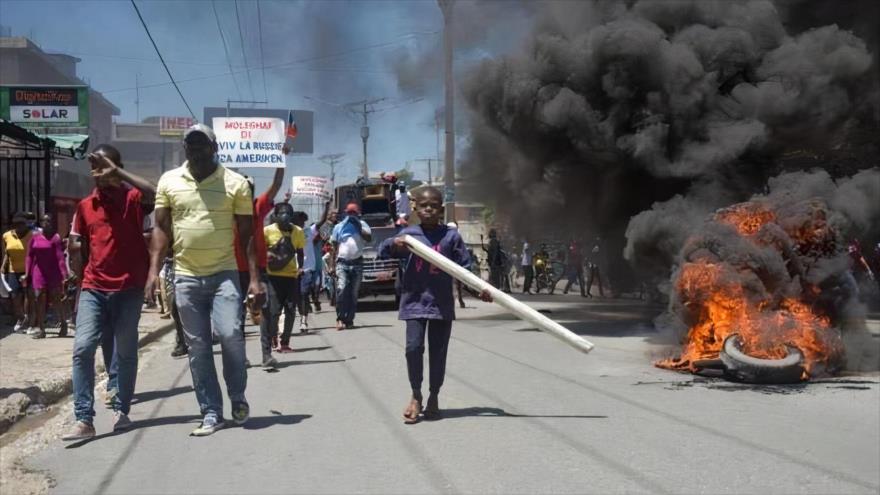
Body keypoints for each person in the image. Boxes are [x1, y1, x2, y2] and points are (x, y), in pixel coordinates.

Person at [145, 124, 265, 437]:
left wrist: (254, 279)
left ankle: (236, 395)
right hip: (185, 276)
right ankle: (211, 411)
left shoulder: (235, 183)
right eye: (190, 146)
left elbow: (247, 234)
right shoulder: (169, 181)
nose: (195, 151)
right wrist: (153, 271)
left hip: (224, 274)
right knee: (197, 348)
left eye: (201, 146)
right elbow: (160, 228)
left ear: (214, 149)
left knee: (230, 335)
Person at [61, 145, 155, 440]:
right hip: (94, 287)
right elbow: (78, 246)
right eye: (95, 167)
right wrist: (74, 276)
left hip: (129, 289)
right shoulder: (85, 206)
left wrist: (118, 174)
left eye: (105, 166)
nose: (98, 172)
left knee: (125, 352)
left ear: (117, 167)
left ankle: (121, 409)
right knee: (82, 348)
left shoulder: (134, 199)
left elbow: (153, 189)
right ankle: (84, 419)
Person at [379, 187, 492, 424]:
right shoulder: (409, 234)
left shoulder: (451, 237)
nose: (428, 209)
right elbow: (383, 250)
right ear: (416, 209)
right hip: (414, 302)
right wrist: (396, 244)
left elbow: (465, 270)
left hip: (441, 304)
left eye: (433, 205)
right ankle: (416, 394)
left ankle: (434, 397)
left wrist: (478, 289)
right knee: (413, 349)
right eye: (423, 205)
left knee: (438, 353)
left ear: (441, 208)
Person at [233, 165, 285, 368]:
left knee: (268, 310)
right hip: (236, 269)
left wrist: (280, 160)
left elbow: (276, 185)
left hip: (260, 269)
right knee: (237, 315)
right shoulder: (229, 212)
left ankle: (266, 355)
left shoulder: (258, 206)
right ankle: (241, 357)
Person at [265, 202, 305, 353]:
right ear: (275, 216)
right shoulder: (267, 231)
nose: (285, 215)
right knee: (274, 311)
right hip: (273, 277)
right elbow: (260, 252)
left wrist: (300, 267)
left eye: (288, 212)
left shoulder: (298, 231)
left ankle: (285, 342)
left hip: (291, 276)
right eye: (282, 212)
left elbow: (300, 252)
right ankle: (273, 335)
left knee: (290, 310)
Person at [24, 214, 68, 339]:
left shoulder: (56, 237)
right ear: (41, 223)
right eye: (44, 220)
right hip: (39, 271)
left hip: (53, 271)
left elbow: (60, 258)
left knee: (56, 298)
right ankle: (41, 329)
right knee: (40, 299)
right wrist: (27, 273)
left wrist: (64, 274)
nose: (46, 223)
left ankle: (63, 324)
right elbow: (29, 256)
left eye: (49, 220)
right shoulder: (35, 237)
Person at [329, 202, 372, 330]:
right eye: (349, 213)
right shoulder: (339, 226)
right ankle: (340, 318)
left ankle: (349, 320)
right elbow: (334, 247)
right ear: (346, 213)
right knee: (342, 290)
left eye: (354, 213)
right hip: (342, 263)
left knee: (353, 293)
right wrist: (331, 265)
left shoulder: (363, 225)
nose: (351, 215)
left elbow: (368, 238)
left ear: (358, 213)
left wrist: (358, 225)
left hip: (357, 263)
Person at [296, 202, 332, 332]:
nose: (301, 223)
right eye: (299, 221)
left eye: (303, 221)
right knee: (298, 296)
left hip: (307, 269)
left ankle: (303, 320)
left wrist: (326, 208)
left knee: (304, 293)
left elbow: (321, 221)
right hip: (292, 270)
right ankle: (301, 315)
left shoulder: (308, 232)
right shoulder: (290, 233)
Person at [2, 212, 33, 333]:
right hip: (12, 270)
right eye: (15, 224)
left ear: (26, 224)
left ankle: (28, 319)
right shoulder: (6, 236)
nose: (18, 226)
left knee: (28, 296)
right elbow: (6, 253)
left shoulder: (32, 235)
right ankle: (20, 318)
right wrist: (3, 266)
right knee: (15, 295)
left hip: (28, 269)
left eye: (21, 223)